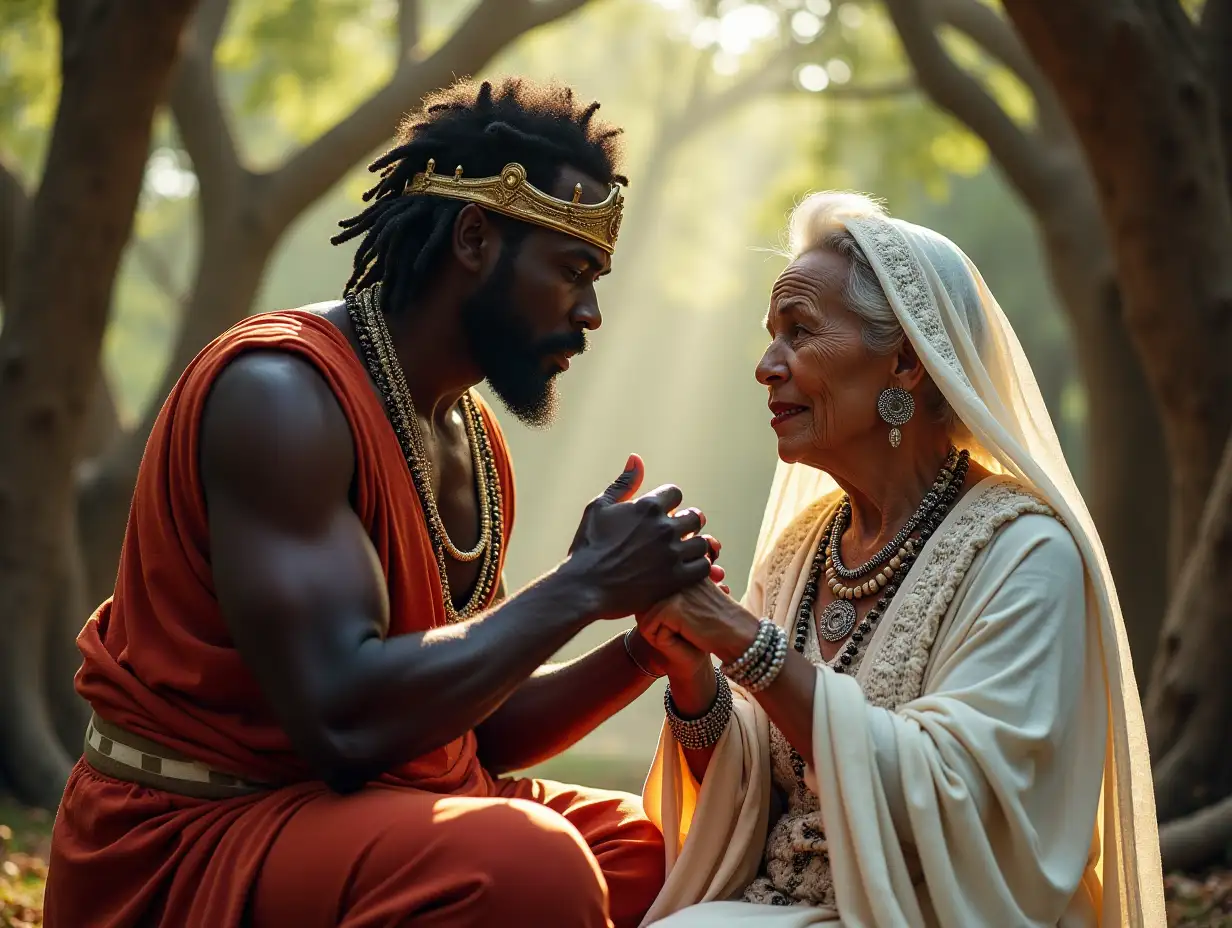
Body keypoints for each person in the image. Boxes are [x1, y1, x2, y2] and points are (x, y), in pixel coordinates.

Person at [44, 78, 726, 928]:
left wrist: (643, 646)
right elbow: (343, 721)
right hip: (193, 839)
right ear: (475, 237)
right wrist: (582, 585)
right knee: (529, 866)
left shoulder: (468, 434)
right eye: (572, 270)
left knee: (676, 849)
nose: (590, 314)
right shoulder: (282, 396)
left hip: (367, 809)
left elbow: (470, 726)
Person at [631, 192, 1165, 926]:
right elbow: (761, 783)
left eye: (799, 333)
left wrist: (743, 643)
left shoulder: (1024, 553)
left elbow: (954, 798)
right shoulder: (800, 549)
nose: (765, 366)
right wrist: (693, 676)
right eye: (769, 335)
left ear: (907, 361)